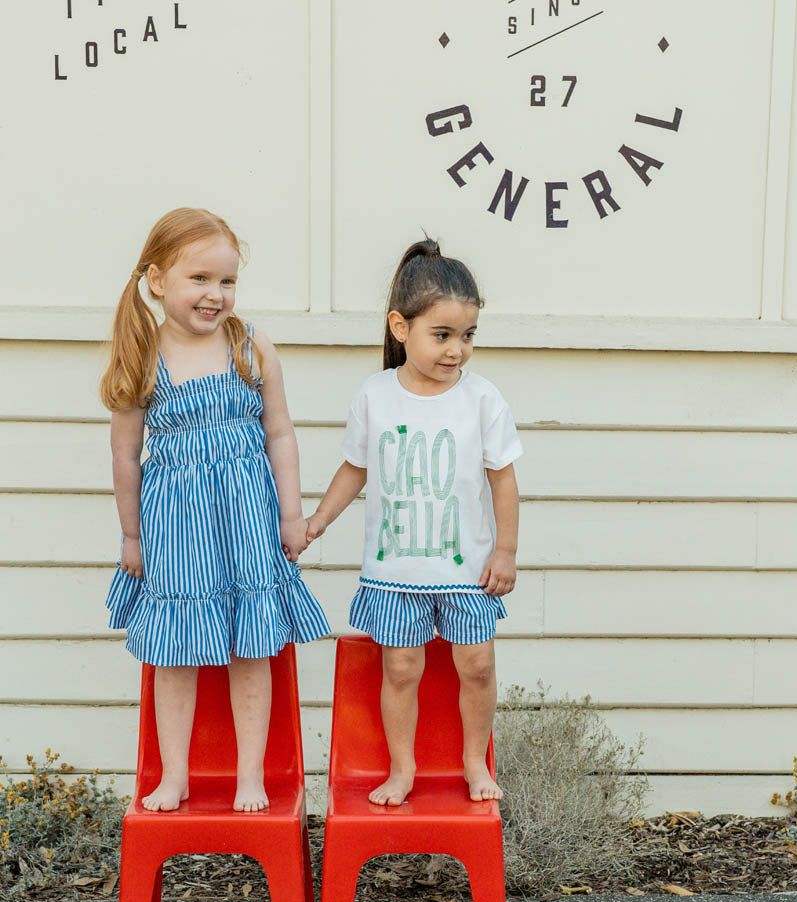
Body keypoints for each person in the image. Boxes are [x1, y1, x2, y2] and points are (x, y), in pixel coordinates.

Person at [101, 207, 329, 813]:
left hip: (248, 523)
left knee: (251, 650)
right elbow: (126, 456)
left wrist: (290, 513)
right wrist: (131, 536)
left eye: (226, 281)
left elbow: (280, 434)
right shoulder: (142, 357)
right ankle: (174, 772)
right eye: (199, 279)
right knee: (175, 655)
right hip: (175, 531)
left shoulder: (251, 347)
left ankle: (249, 775)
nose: (215, 294)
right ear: (157, 281)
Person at [306, 239, 522, 806]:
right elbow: (355, 467)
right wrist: (319, 521)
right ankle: (402, 770)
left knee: (477, 665)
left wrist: (506, 552)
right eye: (443, 335)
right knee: (400, 670)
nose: (458, 350)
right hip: (396, 570)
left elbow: (503, 479)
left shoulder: (482, 400)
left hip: (466, 572)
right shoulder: (376, 395)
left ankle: (474, 761)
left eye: (469, 335)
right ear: (400, 327)